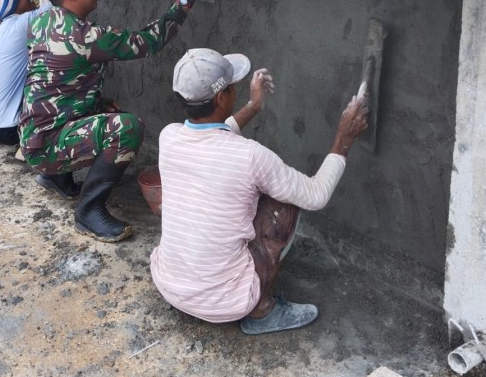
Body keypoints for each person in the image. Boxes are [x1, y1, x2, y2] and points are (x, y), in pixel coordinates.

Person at [150, 48, 369, 334]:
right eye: (232, 87)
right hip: (225, 303)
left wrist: (253, 106)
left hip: (169, 285)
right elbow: (315, 195)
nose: (236, 90)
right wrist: (344, 137)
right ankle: (261, 310)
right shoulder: (250, 156)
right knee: (286, 202)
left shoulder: (169, 136)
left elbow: (212, 135)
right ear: (221, 98)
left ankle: (195, 290)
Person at [20, 0, 207, 242]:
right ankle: (88, 210)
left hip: (35, 135)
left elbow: (56, 83)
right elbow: (149, 41)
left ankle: (56, 176)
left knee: (106, 110)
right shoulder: (83, 36)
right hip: (46, 145)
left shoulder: (44, 21)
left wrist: (94, 102)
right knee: (127, 128)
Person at [0, 0, 103, 146]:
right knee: (71, 95)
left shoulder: (0, 32)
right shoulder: (20, 26)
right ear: (11, 1)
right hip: (9, 128)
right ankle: (45, 154)